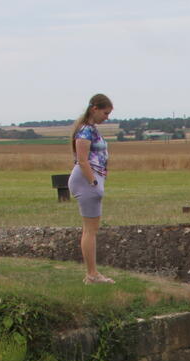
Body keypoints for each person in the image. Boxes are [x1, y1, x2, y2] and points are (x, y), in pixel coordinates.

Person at [67, 94, 115, 284]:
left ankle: (92, 273)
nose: (107, 117)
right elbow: (82, 159)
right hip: (87, 181)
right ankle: (92, 274)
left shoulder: (91, 130)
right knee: (90, 231)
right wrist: (93, 183)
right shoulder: (85, 131)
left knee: (91, 229)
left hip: (92, 179)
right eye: (105, 112)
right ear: (94, 109)